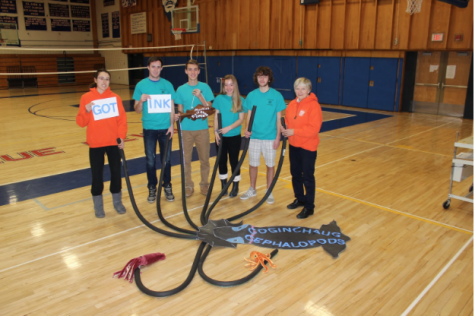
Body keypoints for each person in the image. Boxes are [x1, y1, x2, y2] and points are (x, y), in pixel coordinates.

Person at [76, 69, 128, 218]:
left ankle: (117, 202)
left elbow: (121, 120)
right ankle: (98, 206)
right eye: (101, 79)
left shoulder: (115, 98)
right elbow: (80, 122)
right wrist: (86, 111)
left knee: (116, 173)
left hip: (113, 143)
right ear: (95, 80)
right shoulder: (86, 97)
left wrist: (121, 137)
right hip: (96, 144)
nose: (104, 82)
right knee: (97, 175)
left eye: (107, 79)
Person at [133, 56, 176, 204]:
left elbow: (171, 107)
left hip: (165, 128)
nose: (156, 69)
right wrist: (141, 101)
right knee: (150, 161)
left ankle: (167, 186)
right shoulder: (141, 85)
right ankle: (152, 187)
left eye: (158, 67)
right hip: (149, 129)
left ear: (162, 68)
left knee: (167, 160)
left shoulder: (168, 84)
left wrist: (172, 125)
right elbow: (137, 110)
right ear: (148, 67)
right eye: (153, 66)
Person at [241, 66, 286, 204]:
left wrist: (278, 137)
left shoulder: (276, 96)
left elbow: (279, 119)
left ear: (269, 78)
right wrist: (247, 130)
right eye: (260, 76)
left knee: (270, 165)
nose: (262, 78)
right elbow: (248, 116)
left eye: (265, 76)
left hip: (270, 137)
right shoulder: (251, 95)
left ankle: (269, 191)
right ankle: (252, 189)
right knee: (253, 164)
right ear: (256, 78)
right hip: (254, 137)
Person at [282, 77, 322, 219]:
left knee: (308, 177)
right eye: (297, 88)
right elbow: (287, 121)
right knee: (296, 174)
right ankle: (300, 198)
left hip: (308, 147)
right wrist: (284, 128)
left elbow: (314, 129)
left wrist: (294, 131)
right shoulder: (292, 104)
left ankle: (309, 206)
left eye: (303, 88)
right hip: (294, 145)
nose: (299, 91)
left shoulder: (314, 106)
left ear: (309, 90)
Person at [175, 59, 215, 197]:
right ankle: (188, 186)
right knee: (186, 160)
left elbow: (209, 108)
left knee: (204, 159)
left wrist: (200, 96)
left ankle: (204, 184)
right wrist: (182, 115)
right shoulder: (180, 89)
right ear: (186, 71)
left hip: (202, 129)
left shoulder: (205, 87)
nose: (192, 72)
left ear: (199, 71)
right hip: (185, 130)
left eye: (195, 69)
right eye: (190, 69)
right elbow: (180, 110)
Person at [213, 75, 245, 197]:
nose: (228, 87)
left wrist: (229, 128)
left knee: (234, 161)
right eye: (226, 85)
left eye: (231, 84)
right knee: (221, 161)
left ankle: (235, 186)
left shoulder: (240, 100)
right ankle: (224, 186)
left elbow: (241, 119)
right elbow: (216, 116)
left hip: (234, 136)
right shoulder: (219, 99)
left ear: (235, 86)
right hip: (221, 137)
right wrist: (216, 131)